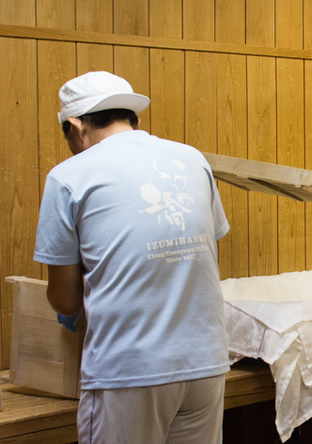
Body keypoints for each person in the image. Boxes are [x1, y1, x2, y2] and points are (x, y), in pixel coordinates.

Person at [33, 71, 230, 443]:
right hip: (206, 362)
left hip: (129, 369)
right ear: (132, 117)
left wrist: (71, 305)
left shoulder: (68, 176)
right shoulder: (192, 158)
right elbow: (206, 251)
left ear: (75, 125)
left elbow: (65, 299)